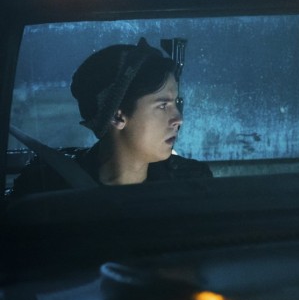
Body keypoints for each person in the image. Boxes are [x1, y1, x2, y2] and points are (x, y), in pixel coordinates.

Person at [12, 38, 212, 194]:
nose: (178, 119)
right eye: (162, 106)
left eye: (176, 103)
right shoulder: (45, 181)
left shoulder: (191, 182)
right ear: (117, 116)